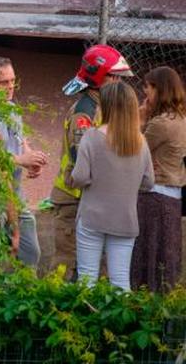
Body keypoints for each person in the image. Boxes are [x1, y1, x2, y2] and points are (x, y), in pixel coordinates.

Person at [50, 44, 135, 279]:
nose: (119, 83)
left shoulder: (104, 108)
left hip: (94, 199)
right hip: (74, 199)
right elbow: (83, 159)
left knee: (96, 270)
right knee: (67, 267)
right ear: (100, 77)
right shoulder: (85, 112)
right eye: (115, 77)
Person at [68, 80, 154, 291]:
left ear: (105, 106)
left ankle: (85, 322)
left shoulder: (92, 137)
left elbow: (79, 177)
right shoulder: (140, 142)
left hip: (92, 217)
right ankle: (119, 323)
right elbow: (149, 182)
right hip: (125, 219)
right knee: (120, 282)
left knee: (86, 280)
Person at [0, 56, 47, 267]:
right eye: (3, 82)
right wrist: (22, 159)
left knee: (31, 254)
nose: (10, 86)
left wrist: (31, 159)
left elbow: (21, 141)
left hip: (17, 196)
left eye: (12, 81)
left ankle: (23, 296)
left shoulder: (11, 109)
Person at [131, 66, 186, 291]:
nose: (145, 93)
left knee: (148, 256)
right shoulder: (181, 119)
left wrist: (140, 118)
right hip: (171, 197)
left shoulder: (161, 123)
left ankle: (145, 307)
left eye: (148, 88)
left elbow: (133, 150)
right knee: (166, 257)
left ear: (159, 89)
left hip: (155, 197)